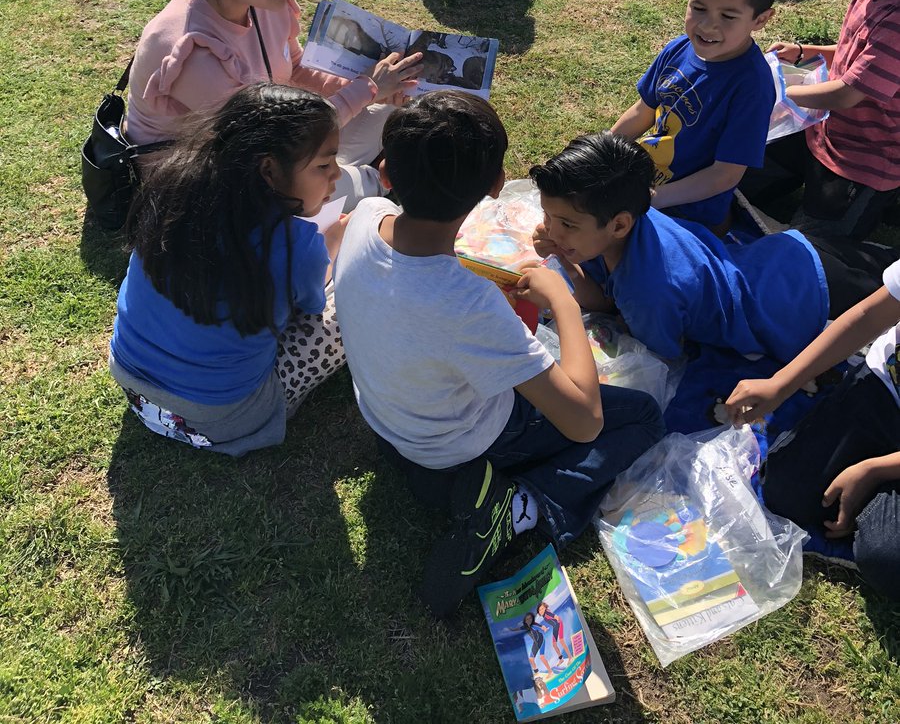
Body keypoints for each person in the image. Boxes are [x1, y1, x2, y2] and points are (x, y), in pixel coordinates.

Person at [333, 91, 665, 617]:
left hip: (388, 425)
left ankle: (438, 482)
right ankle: (521, 507)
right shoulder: (469, 303)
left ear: (386, 173)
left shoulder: (365, 215)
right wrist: (564, 302)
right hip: (452, 442)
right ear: (495, 187)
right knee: (641, 416)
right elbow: (583, 421)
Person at [124, 0, 421, 207]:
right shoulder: (190, 50)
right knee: (336, 182)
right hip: (205, 176)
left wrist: (373, 92)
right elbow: (271, 147)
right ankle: (375, 184)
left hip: (276, 141)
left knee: (386, 111)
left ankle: (359, 171)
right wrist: (365, 90)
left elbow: (294, 68)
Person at [110, 83, 349, 454]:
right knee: (348, 306)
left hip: (132, 379)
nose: (335, 174)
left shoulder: (170, 185)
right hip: (224, 416)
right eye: (323, 164)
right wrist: (334, 241)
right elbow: (312, 308)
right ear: (268, 170)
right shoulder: (297, 244)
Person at [531, 132, 896, 364]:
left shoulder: (646, 293)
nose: (550, 229)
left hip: (804, 301)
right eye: (548, 216)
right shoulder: (632, 219)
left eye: (566, 224)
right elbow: (602, 299)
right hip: (789, 258)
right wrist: (564, 252)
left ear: (619, 224)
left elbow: (659, 354)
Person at [725, 260, 900, 599]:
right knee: (785, 490)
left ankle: (877, 499)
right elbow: (869, 315)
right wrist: (782, 383)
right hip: (883, 392)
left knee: (887, 559)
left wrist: (874, 470)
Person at [740, 0, 900, 239]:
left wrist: (778, 94)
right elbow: (854, 52)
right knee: (729, 174)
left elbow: (847, 93)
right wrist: (806, 51)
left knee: (810, 251)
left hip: (862, 162)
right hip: (820, 131)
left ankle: (881, 202)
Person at [611, 0, 781, 231]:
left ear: (760, 20)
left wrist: (652, 199)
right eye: (698, 8)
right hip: (644, 184)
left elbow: (724, 175)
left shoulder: (751, 85)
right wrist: (601, 149)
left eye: (728, 16)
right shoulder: (678, 48)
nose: (707, 25)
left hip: (691, 216)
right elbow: (643, 110)